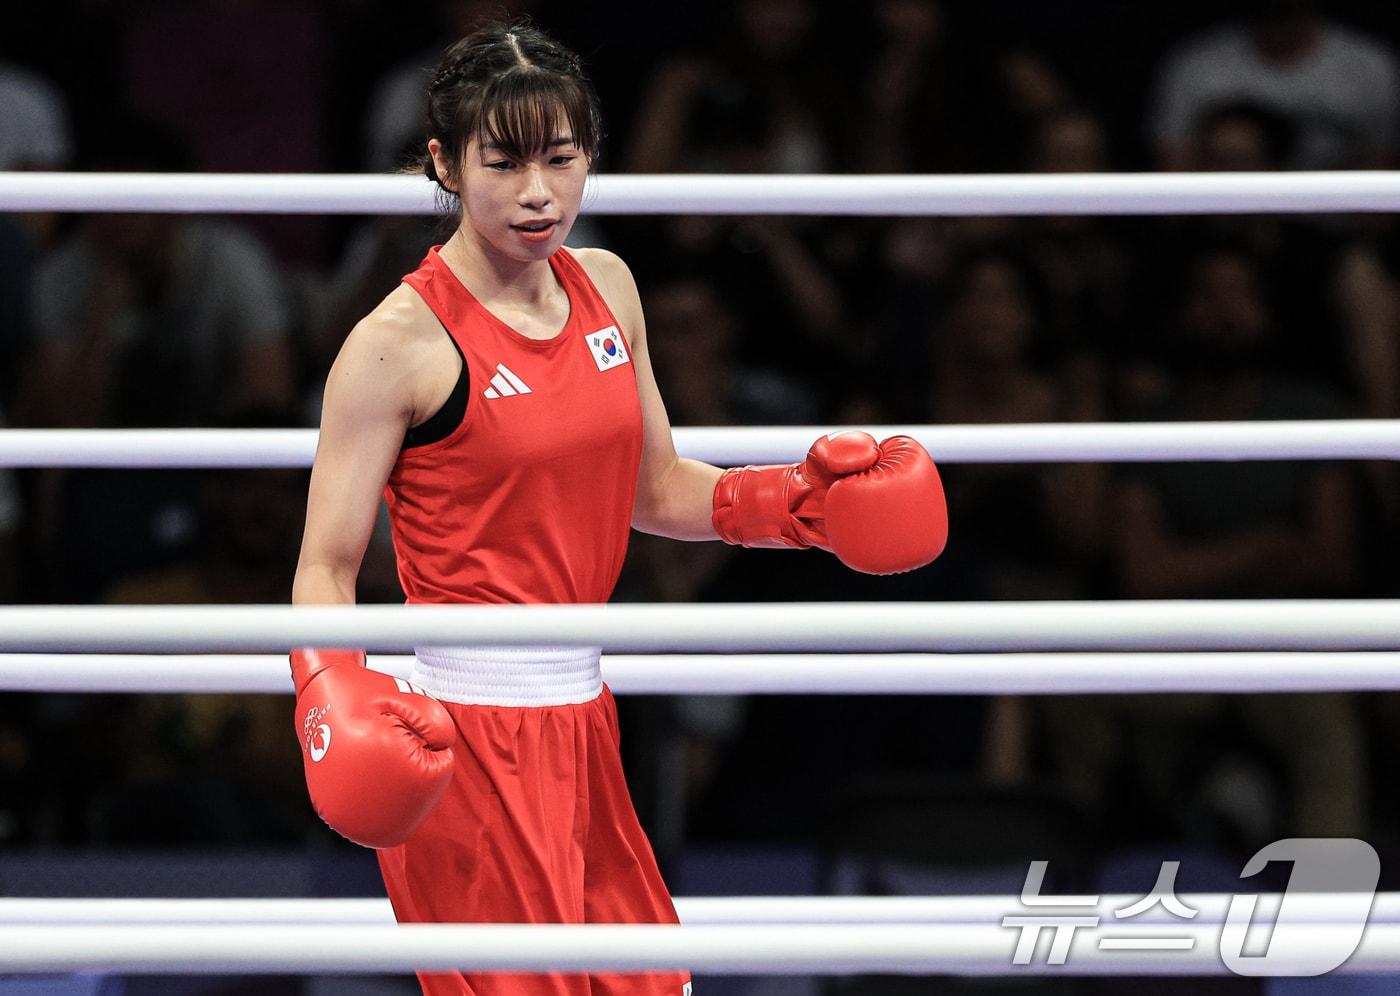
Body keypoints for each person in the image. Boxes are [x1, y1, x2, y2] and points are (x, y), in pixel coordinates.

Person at [290, 21, 947, 996]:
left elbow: (656, 489)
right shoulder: (396, 344)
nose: (537, 193)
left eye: (560, 158)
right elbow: (325, 565)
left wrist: (801, 507)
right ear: (442, 162)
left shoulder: (608, 288)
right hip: (462, 737)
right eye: (503, 162)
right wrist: (327, 695)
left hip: (586, 718)